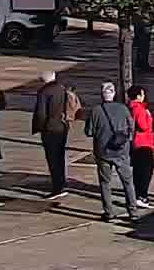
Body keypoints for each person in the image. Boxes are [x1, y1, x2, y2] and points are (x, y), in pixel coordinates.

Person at [83, 82, 138, 223]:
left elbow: (89, 132)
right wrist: (127, 142)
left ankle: (109, 212)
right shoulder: (123, 108)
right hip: (121, 151)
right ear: (113, 93)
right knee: (127, 182)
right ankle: (133, 211)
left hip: (103, 152)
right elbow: (132, 127)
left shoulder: (96, 110)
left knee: (105, 182)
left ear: (102, 94)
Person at [30, 69, 75, 199]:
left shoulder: (44, 92)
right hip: (62, 126)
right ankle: (62, 182)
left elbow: (41, 113)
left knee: (52, 158)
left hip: (50, 129)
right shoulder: (61, 88)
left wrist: (39, 127)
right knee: (60, 156)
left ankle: (57, 187)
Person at [127, 85, 154, 207]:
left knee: (139, 171)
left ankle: (138, 194)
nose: (144, 96)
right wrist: (149, 117)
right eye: (142, 94)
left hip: (136, 143)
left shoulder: (130, 108)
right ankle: (141, 196)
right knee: (145, 171)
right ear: (138, 96)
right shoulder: (138, 109)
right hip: (143, 143)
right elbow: (143, 126)